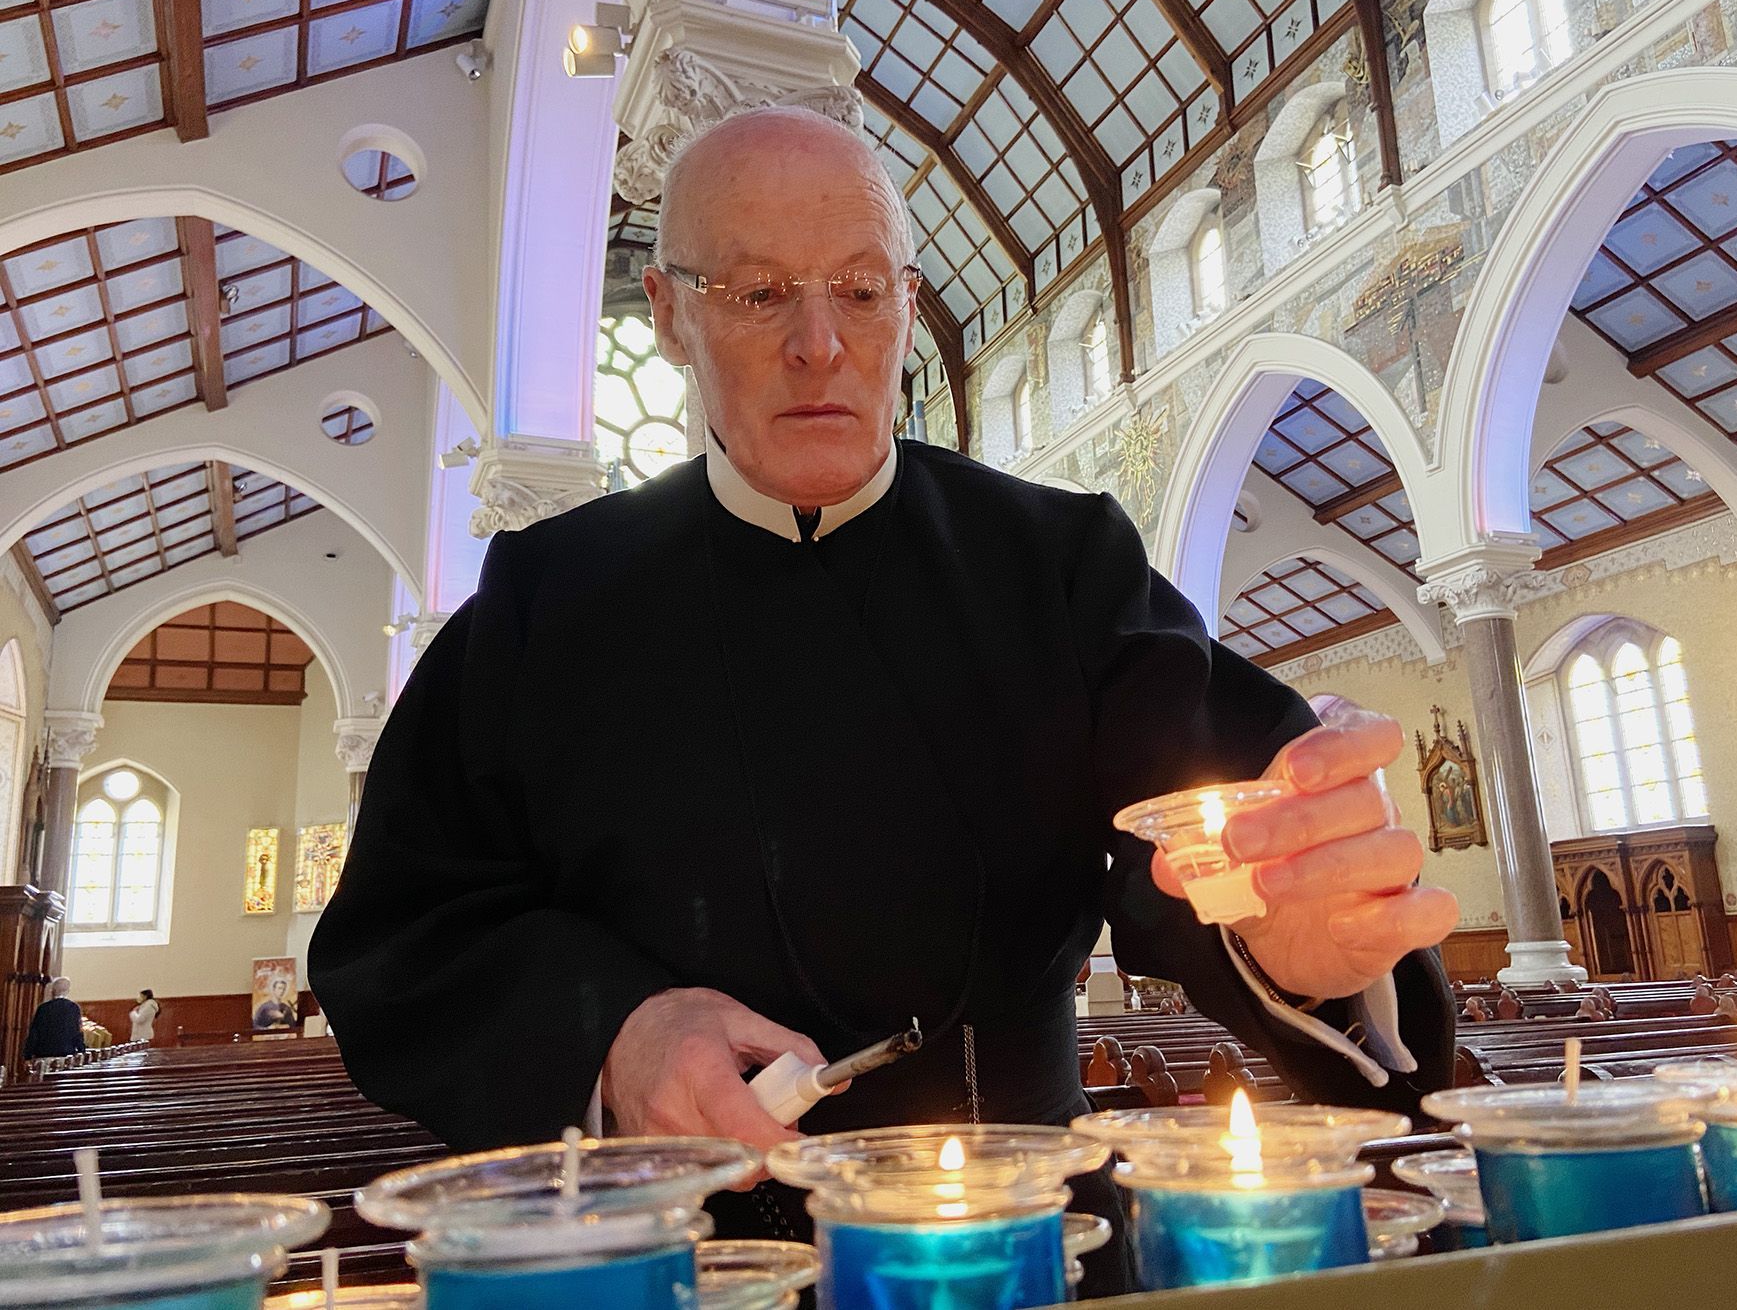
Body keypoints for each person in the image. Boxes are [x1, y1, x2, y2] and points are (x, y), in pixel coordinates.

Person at [310, 107, 1457, 1295]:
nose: (821, 345)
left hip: (1027, 1244)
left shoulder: (1059, 564)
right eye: (759, 295)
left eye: (861, 291)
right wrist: (617, 1028)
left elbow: (1219, 825)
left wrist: (1303, 935)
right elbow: (407, 932)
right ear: (669, 313)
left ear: (909, 305)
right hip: (679, 1264)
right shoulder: (547, 597)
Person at [21, 976, 84, 1060]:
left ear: (53, 991)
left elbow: (34, 1033)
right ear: (68, 990)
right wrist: (81, 1051)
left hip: (43, 1053)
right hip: (65, 1053)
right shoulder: (73, 1008)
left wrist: (27, 1054)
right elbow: (76, 1031)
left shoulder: (43, 1008)